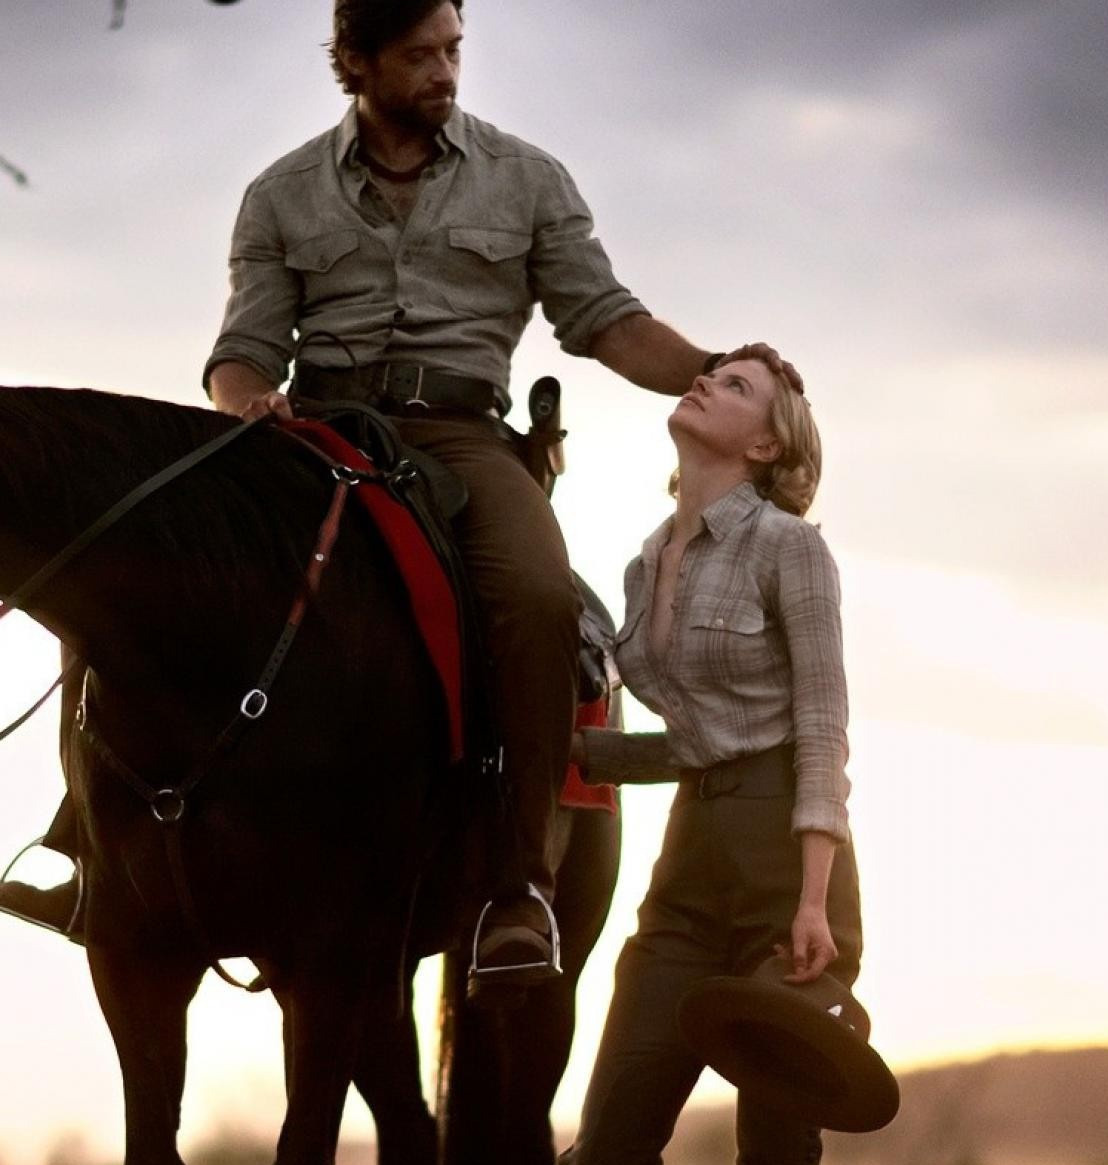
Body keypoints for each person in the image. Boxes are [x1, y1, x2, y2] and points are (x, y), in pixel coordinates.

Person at [197, 0, 804, 988]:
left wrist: (721, 362)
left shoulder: (526, 178)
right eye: (419, 55)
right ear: (355, 62)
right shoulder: (280, 193)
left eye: (453, 50)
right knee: (178, 564)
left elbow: (605, 320)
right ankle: (100, 847)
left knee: (536, 597)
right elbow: (245, 349)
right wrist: (247, 405)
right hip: (315, 434)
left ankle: (516, 887)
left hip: (465, 438)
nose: (444, 72)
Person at [565, 356, 856, 1165]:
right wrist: (562, 747)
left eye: (732, 385)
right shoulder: (647, 565)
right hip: (689, 865)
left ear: (768, 445)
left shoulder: (791, 552)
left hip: (790, 865)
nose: (703, 385)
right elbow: (685, 742)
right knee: (606, 1161)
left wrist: (815, 899)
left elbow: (822, 725)